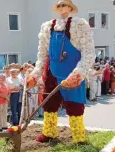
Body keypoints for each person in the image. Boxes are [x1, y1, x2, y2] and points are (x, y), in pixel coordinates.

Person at [27, 0, 95, 144]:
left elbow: (89, 53)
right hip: (51, 72)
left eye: (64, 5)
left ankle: (79, 137)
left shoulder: (79, 25)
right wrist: (35, 74)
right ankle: (49, 133)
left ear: (70, 8)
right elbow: (42, 55)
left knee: (74, 105)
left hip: (71, 72)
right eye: (59, 6)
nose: (61, 8)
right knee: (49, 104)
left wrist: (78, 73)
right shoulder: (47, 27)